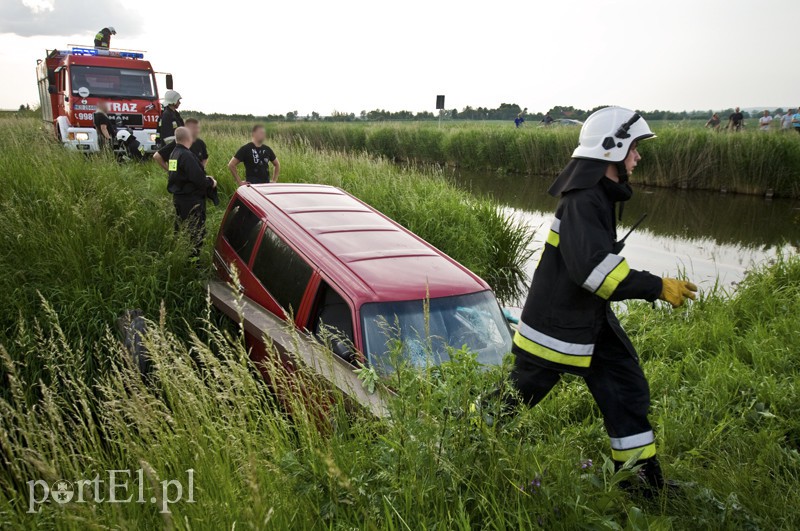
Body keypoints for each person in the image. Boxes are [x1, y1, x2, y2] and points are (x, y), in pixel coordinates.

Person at [502, 107, 697, 496]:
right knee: (515, 398)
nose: (638, 157)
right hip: (555, 329)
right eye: (634, 149)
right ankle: (456, 437)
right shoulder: (583, 200)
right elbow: (595, 274)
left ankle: (643, 486)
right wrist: (657, 286)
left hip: (587, 322)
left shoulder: (597, 196)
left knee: (627, 392)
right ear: (613, 149)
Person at [168, 127, 217, 258]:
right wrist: (211, 182)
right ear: (189, 139)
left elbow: (177, 175)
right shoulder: (187, 155)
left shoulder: (174, 153)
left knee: (181, 229)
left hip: (179, 198)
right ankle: (193, 262)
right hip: (191, 200)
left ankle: (179, 253)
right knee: (196, 233)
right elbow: (198, 180)